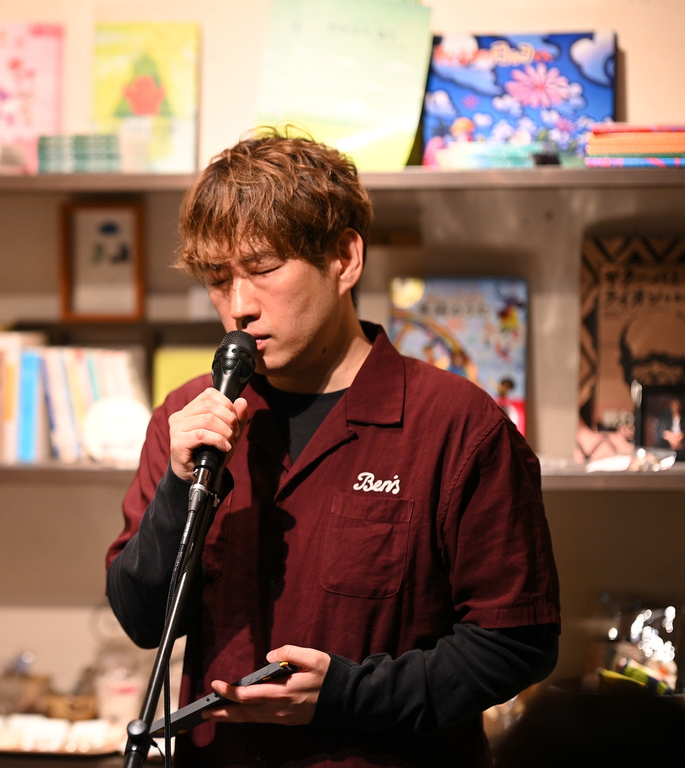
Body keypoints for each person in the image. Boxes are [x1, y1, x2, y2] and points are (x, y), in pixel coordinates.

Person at [106, 128, 560, 768]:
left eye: (264, 269)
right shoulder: (189, 418)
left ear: (345, 259)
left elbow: (518, 642)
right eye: (218, 279)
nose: (239, 306)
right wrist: (180, 487)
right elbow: (142, 619)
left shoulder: (456, 425)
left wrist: (349, 693)